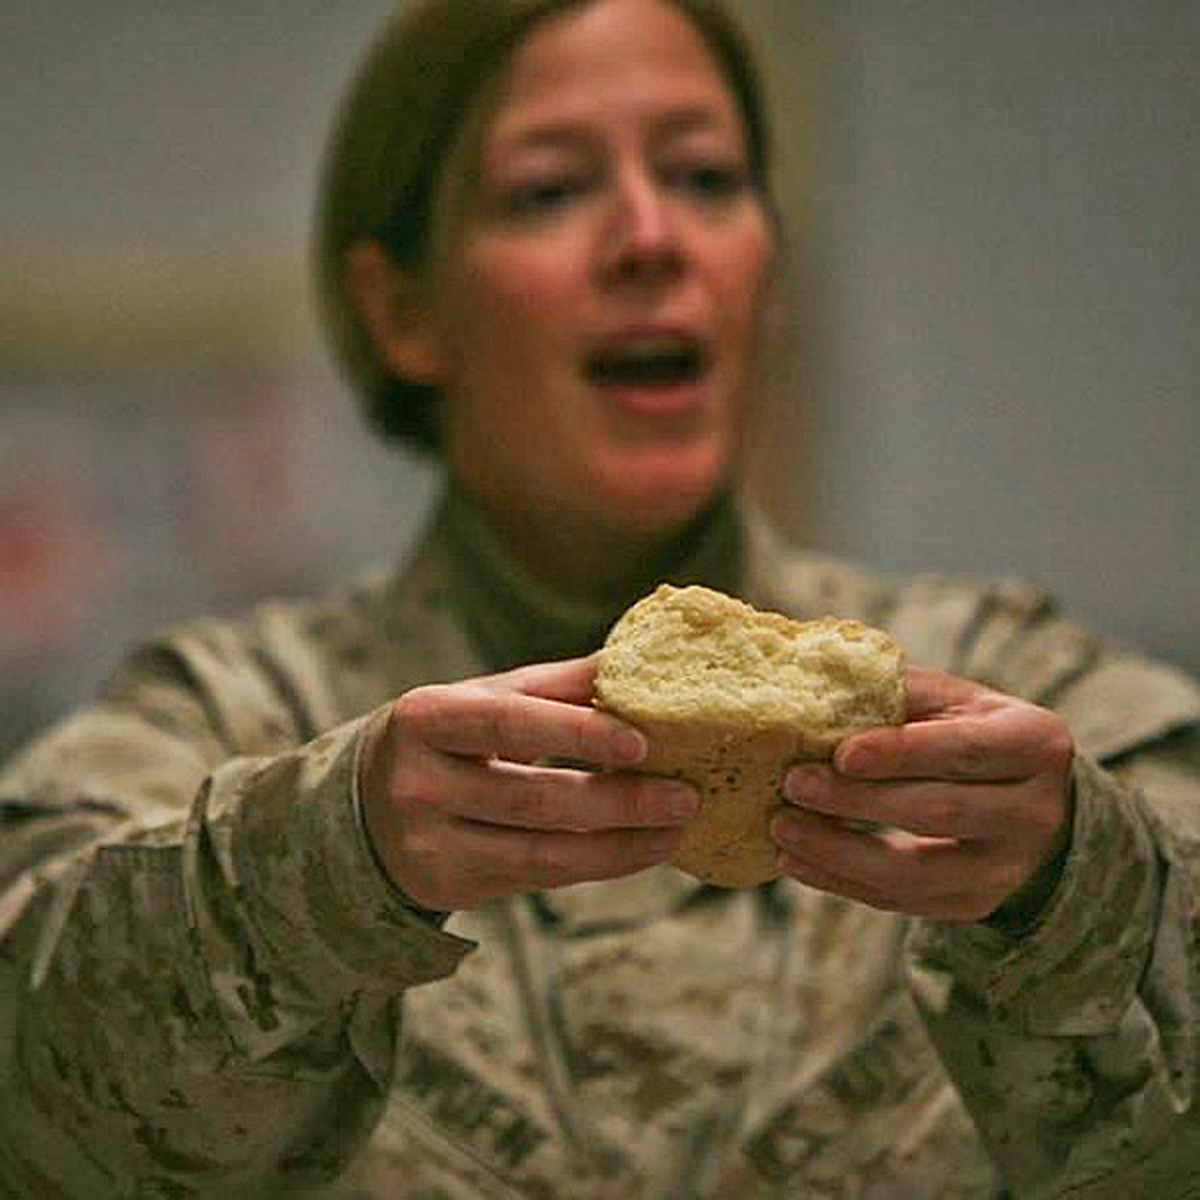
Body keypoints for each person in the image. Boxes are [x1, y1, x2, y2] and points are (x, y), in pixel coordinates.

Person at [2, 0, 1198, 1195]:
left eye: (705, 177)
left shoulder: (1019, 702)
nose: (651, 237)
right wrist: (319, 869)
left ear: (768, 275)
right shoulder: (226, 717)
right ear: (402, 311)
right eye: (550, 190)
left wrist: (1082, 887)